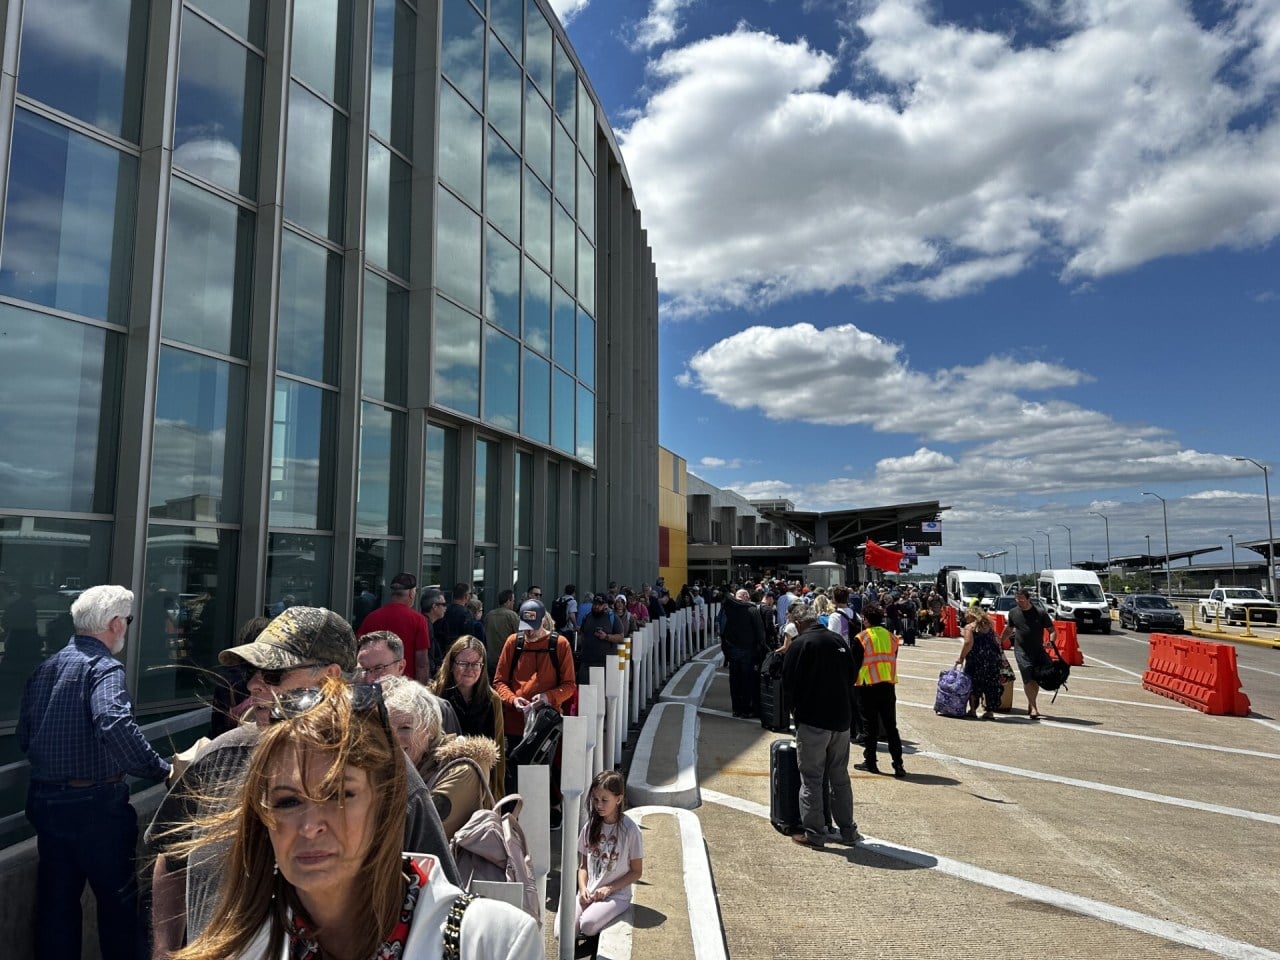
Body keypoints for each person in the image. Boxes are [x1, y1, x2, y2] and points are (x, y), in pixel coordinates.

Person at [148, 607, 456, 956]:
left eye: (273, 674)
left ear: (331, 678)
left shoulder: (389, 774)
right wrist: (164, 950)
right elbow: (171, 858)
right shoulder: (220, 756)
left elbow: (440, 909)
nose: (254, 685)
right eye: (253, 672)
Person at [166, 677, 541, 960]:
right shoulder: (235, 949)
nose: (311, 824)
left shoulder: (493, 942)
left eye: (340, 795)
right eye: (287, 802)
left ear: (387, 803)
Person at [19, 585, 172, 960]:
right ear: (116, 623)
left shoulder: (47, 667)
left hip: (45, 798)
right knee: (119, 906)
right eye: (128, 621)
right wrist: (159, 769)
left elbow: (26, 735)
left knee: (57, 906)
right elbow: (114, 722)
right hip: (96, 805)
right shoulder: (103, 668)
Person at [780, 603, 862, 849]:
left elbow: (788, 683)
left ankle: (815, 834)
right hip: (841, 720)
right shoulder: (837, 640)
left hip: (814, 721)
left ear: (798, 623)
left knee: (812, 779)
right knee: (840, 777)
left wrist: (795, 712)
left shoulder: (801, 644)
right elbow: (852, 676)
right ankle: (848, 830)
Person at [381, 675, 497, 840]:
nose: (393, 739)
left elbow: (416, 832)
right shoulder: (407, 764)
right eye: (386, 729)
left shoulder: (462, 771)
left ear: (429, 730)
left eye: (405, 728)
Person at [492, 599, 576, 825]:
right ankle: (512, 825)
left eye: (533, 628)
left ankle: (542, 818)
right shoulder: (513, 642)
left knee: (542, 774)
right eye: (525, 629)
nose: (528, 634)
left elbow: (569, 685)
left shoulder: (560, 645)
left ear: (543, 621)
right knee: (513, 776)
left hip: (544, 727)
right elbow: (499, 681)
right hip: (514, 723)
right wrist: (512, 699)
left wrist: (548, 697)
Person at [432, 636, 507, 799]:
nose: (470, 669)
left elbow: (498, 749)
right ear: (451, 664)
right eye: (463, 663)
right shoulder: (433, 696)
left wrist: (497, 796)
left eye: (476, 664)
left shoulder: (492, 700)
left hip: (480, 787)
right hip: (442, 786)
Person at [576, 771, 643, 940]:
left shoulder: (630, 830)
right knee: (561, 932)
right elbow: (583, 867)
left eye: (605, 800)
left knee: (588, 925)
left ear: (618, 799)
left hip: (616, 895)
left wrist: (609, 888)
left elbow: (636, 871)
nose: (599, 805)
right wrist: (583, 888)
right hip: (588, 892)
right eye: (595, 799)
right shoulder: (590, 826)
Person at [357, 631, 461, 734]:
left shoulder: (436, 710)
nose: (369, 678)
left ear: (401, 667)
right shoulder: (350, 713)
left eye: (378, 668)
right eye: (363, 670)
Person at [853, 603, 906, 778]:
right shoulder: (892, 637)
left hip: (867, 685)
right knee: (891, 727)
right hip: (888, 685)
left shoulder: (861, 638)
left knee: (870, 726)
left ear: (867, 620)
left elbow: (855, 663)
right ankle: (898, 764)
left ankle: (871, 762)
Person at [357, 573, 433, 682]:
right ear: (411, 593)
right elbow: (422, 663)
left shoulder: (372, 617)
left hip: (375, 684)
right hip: (406, 688)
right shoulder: (419, 620)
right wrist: (422, 692)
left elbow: (360, 653)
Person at [999, 589, 1057, 720]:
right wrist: (1000, 641)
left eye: (1021, 599)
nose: (1019, 601)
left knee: (1035, 679)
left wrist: (1051, 642)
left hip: (1038, 651)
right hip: (1021, 650)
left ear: (1028, 599)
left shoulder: (1040, 613)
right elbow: (1009, 629)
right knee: (1027, 675)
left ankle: (1031, 704)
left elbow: (1052, 630)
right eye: (1017, 599)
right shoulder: (1013, 612)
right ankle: (1034, 707)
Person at [721, 588, 765, 718]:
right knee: (747, 679)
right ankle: (746, 708)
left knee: (734, 680)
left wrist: (726, 651)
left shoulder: (727, 610)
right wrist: (761, 648)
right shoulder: (752, 610)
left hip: (732, 650)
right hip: (748, 650)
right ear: (746, 596)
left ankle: (736, 709)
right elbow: (760, 631)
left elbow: (722, 631)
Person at [957, 609, 1002, 719]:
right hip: (992, 659)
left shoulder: (970, 627)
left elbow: (968, 643)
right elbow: (997, 641)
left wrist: (961, 657)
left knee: (973, 683)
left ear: (972, 616)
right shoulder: (989, 626)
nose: (965, 618)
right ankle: (989, 711)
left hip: (976, 659)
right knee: (991, 684)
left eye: (967, 615)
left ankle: (972, 710)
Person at [576, 593, 625, 673]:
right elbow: (582, 634)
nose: (596, 606)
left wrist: (606, 637)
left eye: (600, 604)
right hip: (587, 662)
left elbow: (621, 637)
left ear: (605, 605)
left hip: (606, 664)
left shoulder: (612, 617)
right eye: (595, 604)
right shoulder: (587, 617)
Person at [483, 589, 520, 674]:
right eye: (513, 601)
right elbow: (520, 636)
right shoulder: (512, 615)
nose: (513, 603)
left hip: (491, 658)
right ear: (508, 601)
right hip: (506, 658)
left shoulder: (489, 615)